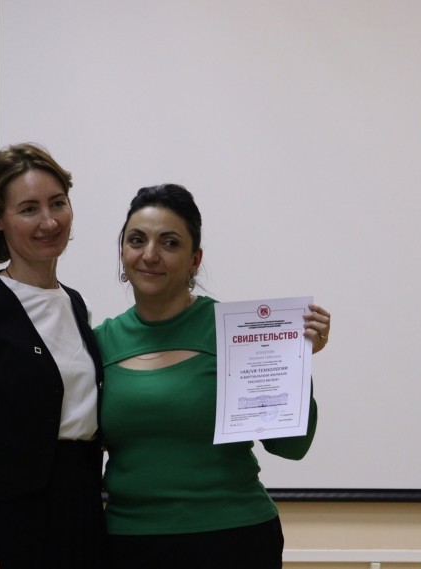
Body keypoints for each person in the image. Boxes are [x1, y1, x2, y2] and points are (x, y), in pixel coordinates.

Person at [94, 184, 331, 569]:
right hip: (129, 543)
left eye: (170, 243)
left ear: (195, 259)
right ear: (122, 252)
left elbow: (290, 446)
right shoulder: (98, 343)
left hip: (234, 539)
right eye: (137, 240)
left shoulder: (239, 334)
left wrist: (298, 362)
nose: (150, 255)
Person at [0, 143, 107, 569]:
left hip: (78, 513)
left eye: (57, 203)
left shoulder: (78, 306)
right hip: (4, 526)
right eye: (29, 209)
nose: (49, 221)